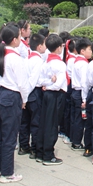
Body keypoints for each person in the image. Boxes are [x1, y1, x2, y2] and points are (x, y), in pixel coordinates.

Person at [0, 25, 31, 183]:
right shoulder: (15, 59)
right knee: (9, 136)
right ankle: (7, 173)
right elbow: (22, 84)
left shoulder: (0, 54)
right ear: (14, 40)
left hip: (1, 94)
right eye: (20, 37)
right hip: (12, 96)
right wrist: (25, 100)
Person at [35, 34, 66, 166]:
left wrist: (47, 84)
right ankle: (48, 154)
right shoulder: (60, 64)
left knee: (44, 122)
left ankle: (40, 152)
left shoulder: (45, 62)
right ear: (59, 48)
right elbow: (58, 84)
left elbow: (40, 80)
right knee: (52, 125)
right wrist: (50, 83)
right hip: (55, 95)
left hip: (47, 94)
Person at [18, 33, 46, 157]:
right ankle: (35, 148)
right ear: (39, 46)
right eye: (44, 44)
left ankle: (24, 146)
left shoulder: (27, 59)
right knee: (36, 122)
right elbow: (33, 81)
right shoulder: (38, 60)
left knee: (24, 122)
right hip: (34, 93)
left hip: (25, 92)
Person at [69, 38, 91, 151]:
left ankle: (73, 139)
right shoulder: (83, 64)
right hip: (80, 93)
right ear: (82, 51)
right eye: (89, 49)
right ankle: (76, 142)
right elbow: (84, 83)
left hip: (74, 92)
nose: (91, 52)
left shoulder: (76, 61)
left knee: (74, 117)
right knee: (79, 119)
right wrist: (84, 99)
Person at [81, 40, 93, 157]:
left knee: (90, 122)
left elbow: (85, 83)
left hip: (91, 93)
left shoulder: (91, 64)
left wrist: (84, 98)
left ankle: (88, 147)